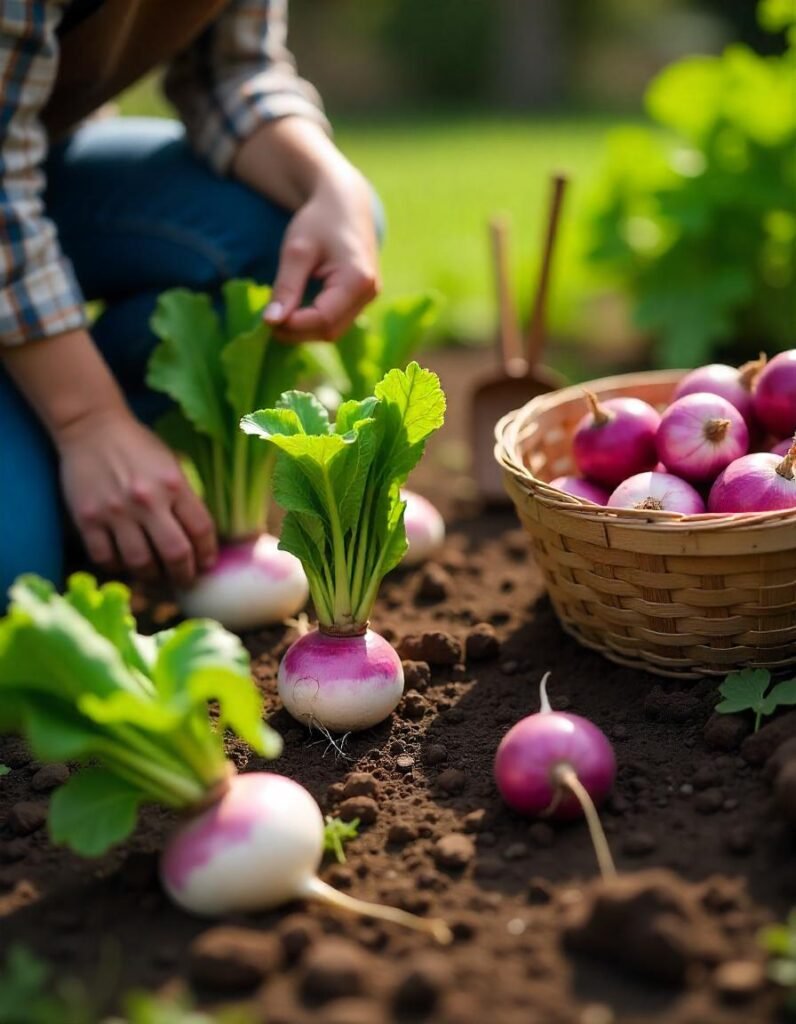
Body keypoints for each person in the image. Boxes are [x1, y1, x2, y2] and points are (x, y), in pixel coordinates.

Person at [0, 0, 381, 603]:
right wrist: (87, 419)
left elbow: (229, 69)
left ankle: (66, 446)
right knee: (13, 576)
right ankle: (63, 439)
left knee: (306, 223)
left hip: (38, 165)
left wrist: (328, 179)